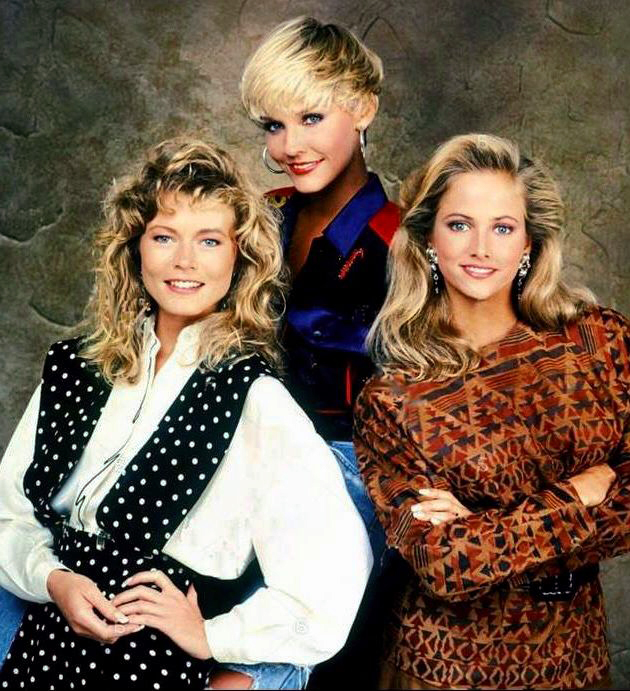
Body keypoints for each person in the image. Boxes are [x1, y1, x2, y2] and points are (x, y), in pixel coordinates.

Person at [0, 138, 372, 690]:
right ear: (135, 248)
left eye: (209, 240)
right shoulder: (77, 368)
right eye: (164, 236)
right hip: (44, 644)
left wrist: (211, 637)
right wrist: (52, 579)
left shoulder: (256, 400)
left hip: (149, 666)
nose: (184, 261)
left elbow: (330, 581)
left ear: (239, 260)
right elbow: (8, 514)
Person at [354, 133, 630, 689]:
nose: (481, 248)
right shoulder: (392, 397)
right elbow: (445, 565)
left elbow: (472, 551)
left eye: (502, 228)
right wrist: (578, 494)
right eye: (460, 225)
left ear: (528, 243)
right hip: (443, 668)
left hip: (577, 658)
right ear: (428, 239)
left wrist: (488, 533)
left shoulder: (598, 341)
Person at [236, 18, 400, 688]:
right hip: (247, 453)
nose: (290, 146)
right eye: (274, 126)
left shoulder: (402, 241)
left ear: (364, 109)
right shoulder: (260, 217)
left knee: (280, 622)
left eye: (310, 118)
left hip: (351, 470)